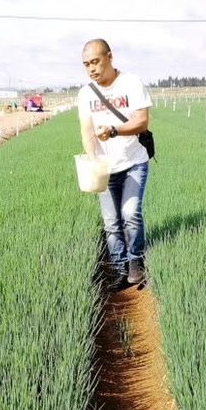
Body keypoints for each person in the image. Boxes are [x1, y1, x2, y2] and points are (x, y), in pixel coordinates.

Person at [77, 39, 152, 289]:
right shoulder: (86, 94)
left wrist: (114, 130)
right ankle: (119, 269)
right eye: (86, 64)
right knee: (111, 223)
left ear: (110, 57)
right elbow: (87, 131)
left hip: (133, 162)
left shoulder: (131, 83)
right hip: (105, 169)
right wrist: (93, 161)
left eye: (95, 62)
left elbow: (142, 122)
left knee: (130, 214)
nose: (91, 69)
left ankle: (136, 263)